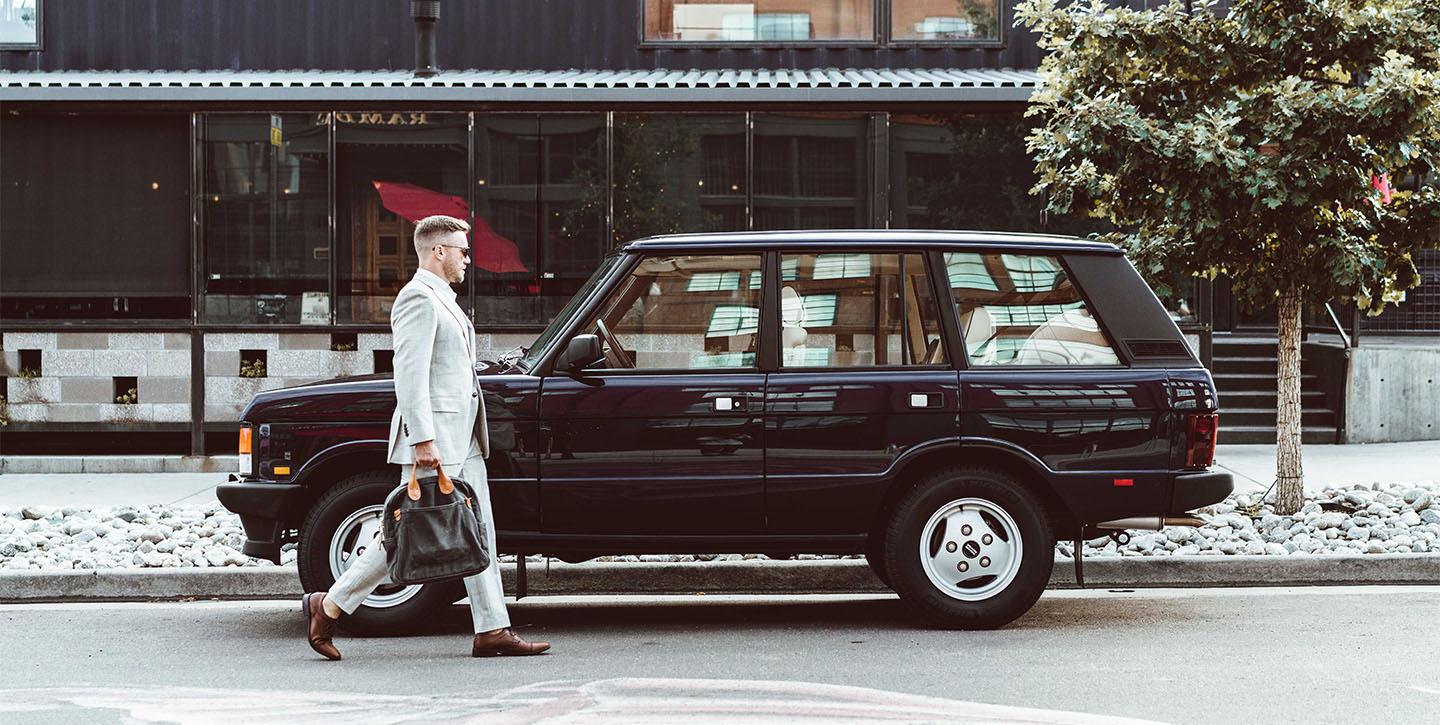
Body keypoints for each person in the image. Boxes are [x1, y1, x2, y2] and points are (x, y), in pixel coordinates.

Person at [301, 214, 550, 660]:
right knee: (401, 533)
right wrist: (422, 440)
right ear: (439, 251)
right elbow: (409, 376)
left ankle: (492, 628)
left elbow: (448, 365)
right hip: (435, 439)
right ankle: (331, 605)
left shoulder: (445, 299)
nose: (468, 260)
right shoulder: (417, 298)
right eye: (462, 251)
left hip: (465, 436)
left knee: (478, 531)